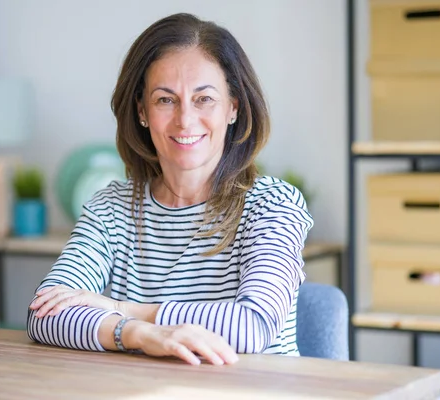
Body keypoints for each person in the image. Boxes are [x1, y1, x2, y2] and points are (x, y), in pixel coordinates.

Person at [27, 12, 314, 366]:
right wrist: (140, 335)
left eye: (204, 98)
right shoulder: (109, 209)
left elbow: (252, 327)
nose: (185, 119)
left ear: (233, 108)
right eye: (165, 99)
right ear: (142, 111)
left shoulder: (273, 204)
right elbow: (45, 314)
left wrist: (122, 310)